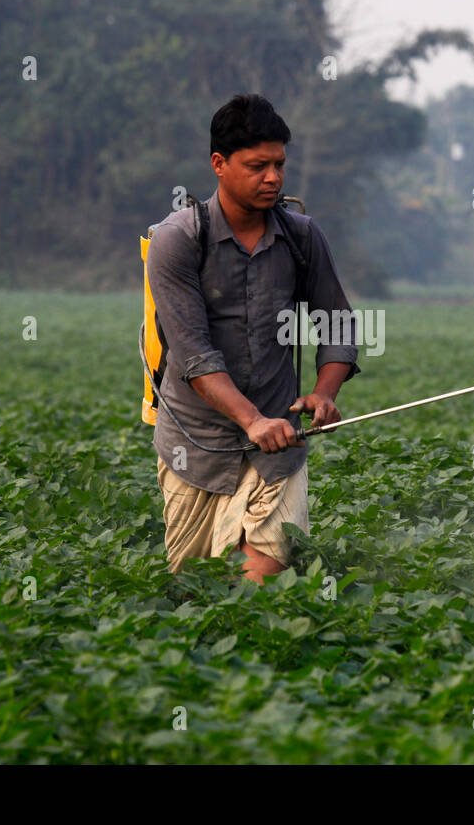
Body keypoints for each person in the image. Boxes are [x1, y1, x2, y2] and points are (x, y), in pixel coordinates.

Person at [146, 94, 360, 584]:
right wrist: (251, 420)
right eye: (257, 166)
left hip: (278, 446)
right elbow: (195, 356)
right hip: (196, 445)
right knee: (197, 588)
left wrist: (325, 394)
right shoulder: (178, 240)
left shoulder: (303, 237)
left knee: (260, 582)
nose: (273, 178)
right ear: (219, 165)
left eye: (279, 165)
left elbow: (338, 324)